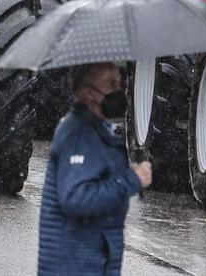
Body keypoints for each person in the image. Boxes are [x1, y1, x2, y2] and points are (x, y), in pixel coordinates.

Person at [38, 62, 151, 275]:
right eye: (111, 84)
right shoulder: (80, 135)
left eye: (119, 83)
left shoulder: (95, 130)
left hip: (88, 261)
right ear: (89, 94)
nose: (118, 91)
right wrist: (130, 180)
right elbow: (76, 198)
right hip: (77, 265)